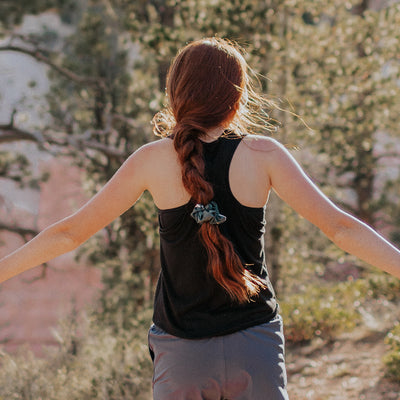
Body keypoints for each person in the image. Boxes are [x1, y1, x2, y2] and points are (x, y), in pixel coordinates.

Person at [0, 37, 400, 400]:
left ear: (176, 95)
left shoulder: (151, 160)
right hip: (255, 346)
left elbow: (70, 234)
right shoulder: (264, 155)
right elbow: (340, 228)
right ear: (238, 98)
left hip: (182, 355)